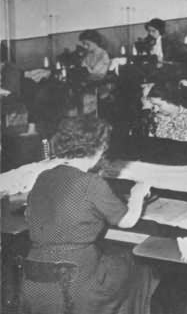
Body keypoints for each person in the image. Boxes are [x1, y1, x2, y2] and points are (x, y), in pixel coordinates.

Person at [21, 115, 155, 314]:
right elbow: (127, 221)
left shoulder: (44, 176)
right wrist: (138, 195)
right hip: (77, 283)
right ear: (100, 148)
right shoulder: (91, 183)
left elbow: (31, 214)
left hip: (34, 280)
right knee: (140, 268)